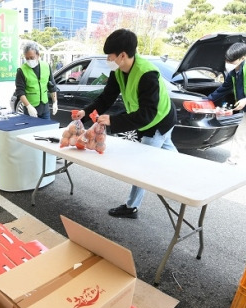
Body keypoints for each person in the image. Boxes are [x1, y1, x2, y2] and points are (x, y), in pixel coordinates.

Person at [74, 29, 177, 219]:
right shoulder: (119, 71)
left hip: (157, 122)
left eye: (109, 56)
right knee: (171, 156)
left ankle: (131, 207)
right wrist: (85, 112)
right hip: (154, 118)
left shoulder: (147, 74)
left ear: (122, 55)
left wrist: (113, 120)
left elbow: (147, 113)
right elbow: (106, 98)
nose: (108, 60)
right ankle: (184, 178)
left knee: (142, 165)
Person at [15, 41, 58, 119]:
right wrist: (28, 106)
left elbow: (52, 85)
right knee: (32, 130)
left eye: (32, 57)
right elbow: (20, 92)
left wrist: (55, 102)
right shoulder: (21, 71)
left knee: (46, 129)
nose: (29, 60)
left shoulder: (46, 66)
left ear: (38, 55)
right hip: (30, 110)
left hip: (45, 109)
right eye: (27, 58)